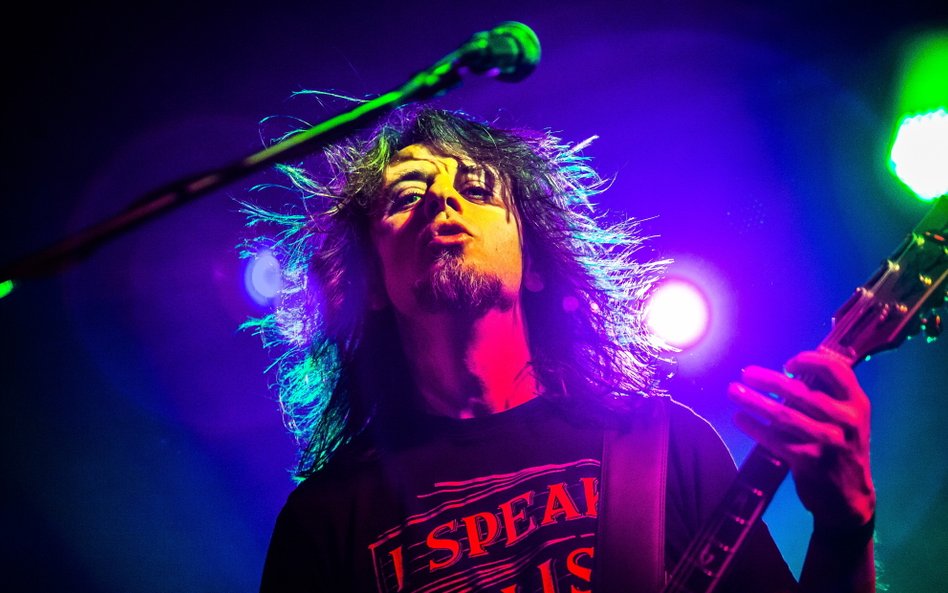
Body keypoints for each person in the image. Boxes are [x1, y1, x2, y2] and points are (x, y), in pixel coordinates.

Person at [246, 105, 876, 592]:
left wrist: (845, 527)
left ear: (536, 264)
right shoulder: (325, 520)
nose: (443, 200)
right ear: (372, 283)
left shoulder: (662, 446)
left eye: (478, 189)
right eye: (407, 196)